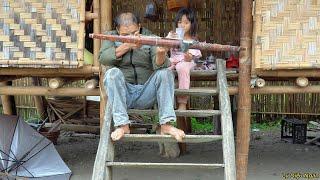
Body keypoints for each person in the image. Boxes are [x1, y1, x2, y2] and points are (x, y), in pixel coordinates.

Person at [99, 12, 185, 142]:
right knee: (112, 74)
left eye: (134, 33)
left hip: (147, 93)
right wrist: (128, 45)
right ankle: (123, 125)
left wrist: (161, 53)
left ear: (139, 26)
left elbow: (159, 66)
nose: (130, 37)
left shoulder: (150, 38)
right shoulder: (110, 37)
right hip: (124, 93)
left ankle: (166, 125)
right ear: (117, 30)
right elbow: (104, 58)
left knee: (165, 73)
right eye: (124, 35)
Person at [167, 8, 202, 111]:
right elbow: (163, 48)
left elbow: (192, 58)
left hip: (187, 62)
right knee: (164, 70)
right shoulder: (172, 35)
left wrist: (187, 53)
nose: (182, 25)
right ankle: (166, 104)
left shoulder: (193, 40)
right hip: (173, 60)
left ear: (192, 24)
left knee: (182, 67)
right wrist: (169, 39)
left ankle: (182, 102)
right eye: (179, 22)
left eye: (186, 23)